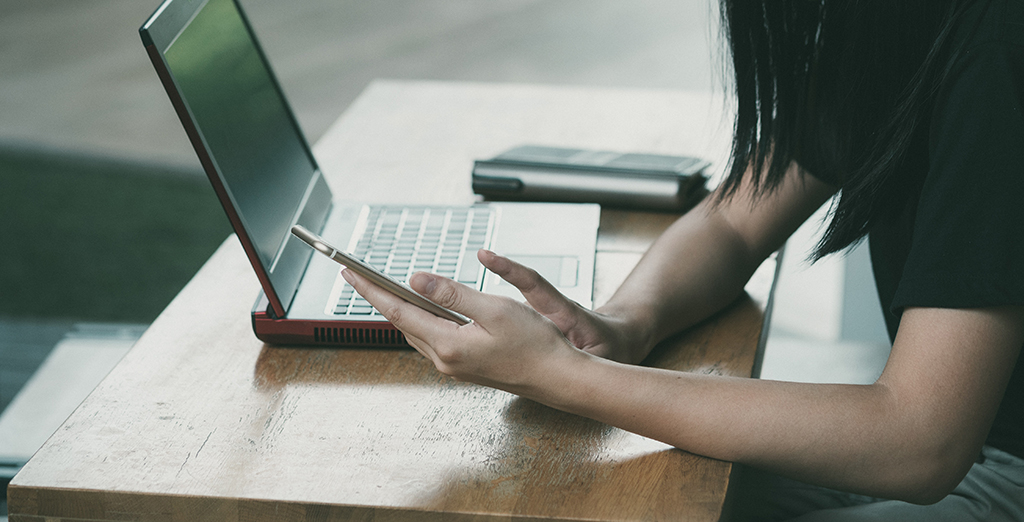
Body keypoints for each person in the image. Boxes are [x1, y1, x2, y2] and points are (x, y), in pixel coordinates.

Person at [343, 0, 1024, 519]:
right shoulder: (893, 25)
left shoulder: (996, 43)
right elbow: (734, 220)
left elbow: (919, 440)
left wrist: (561, 374)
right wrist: (623, 322)